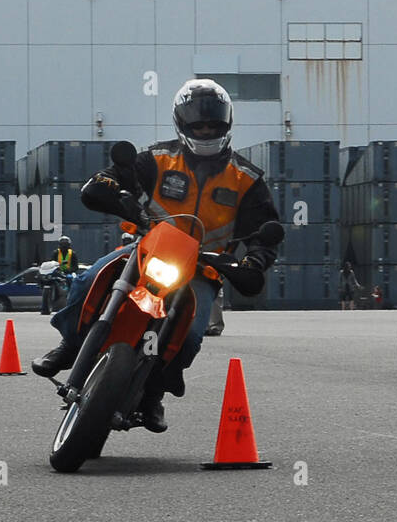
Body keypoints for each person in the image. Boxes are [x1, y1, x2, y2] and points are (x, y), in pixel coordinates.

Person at [32, 78, 280, 432]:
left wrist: (255, 262)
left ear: (227, 125)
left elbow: (266, 231)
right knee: (89, 279)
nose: (206, 130)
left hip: (201, 269)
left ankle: (155, 392)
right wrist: (113, 192)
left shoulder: (246, 178)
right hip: (146, 249)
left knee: (193, 333)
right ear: (182, 124)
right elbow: (111, 178)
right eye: (199, 124)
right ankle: (69, 344)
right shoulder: (156, 160)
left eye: (213, 124)